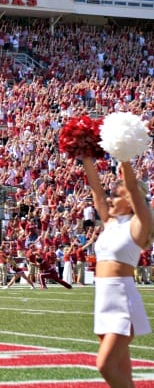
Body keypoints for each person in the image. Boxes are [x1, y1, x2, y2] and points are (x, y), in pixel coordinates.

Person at [82, 157, 152, 387]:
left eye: (117, 195)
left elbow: (133, 187)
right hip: (103, 300)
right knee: (123, 374)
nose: (110, 198)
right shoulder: (111, 222)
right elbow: (96, 189)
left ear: (131, 201)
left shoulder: (138, 225)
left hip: (123, 300)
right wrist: (85, 156)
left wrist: (124, 157)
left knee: (105, 365)